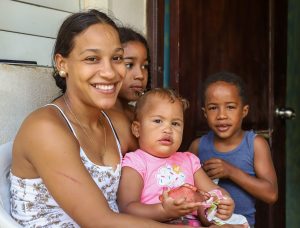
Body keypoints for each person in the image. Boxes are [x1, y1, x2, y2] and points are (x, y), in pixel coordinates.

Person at [9, 9, 189, 227]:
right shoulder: (45, 129)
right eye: (92, 58)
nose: (110, 72)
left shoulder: (115, 125)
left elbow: (160, 166)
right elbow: (100, 221)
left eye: (117, 58)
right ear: (62, 64)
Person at [118, 88, 242, 227]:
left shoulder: (189, 161)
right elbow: (127, 208)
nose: (168, 129)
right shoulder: (136, 162)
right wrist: (163, 210)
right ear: (137, 129)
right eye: (158, 121)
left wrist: (221, 203)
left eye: (175, 123)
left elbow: (212, 192)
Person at [189, 71, 278, 227]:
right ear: (205, 113)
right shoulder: (198, 146)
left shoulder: (255, 144)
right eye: (213, 108)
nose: (221, 115)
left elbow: (271, 194)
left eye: (230, 107)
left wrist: (230, 171)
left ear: (244, 111)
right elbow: (186, 187)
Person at [106, 26, 151, 154]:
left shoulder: (138, 114)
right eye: (129, 65)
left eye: (144, 66)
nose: (140, 75)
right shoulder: (100, 116)